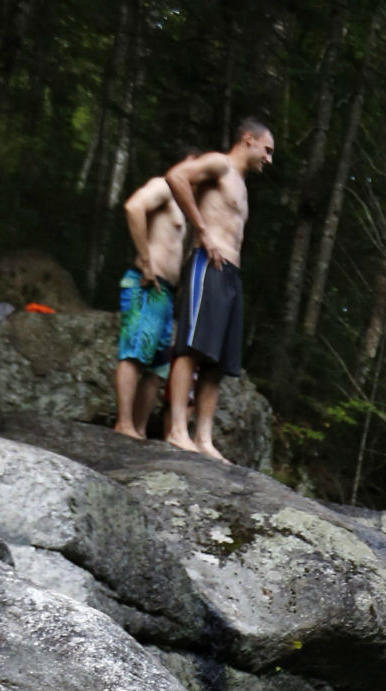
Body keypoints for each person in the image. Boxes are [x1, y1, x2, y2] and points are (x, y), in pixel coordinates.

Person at [164, 118, 276, 460]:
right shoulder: (220, 164)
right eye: (267, 150)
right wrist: (203, 230)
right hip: (208, 264)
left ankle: (203, 438)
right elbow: (176, 177)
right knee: (192, 348)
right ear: (248, 139)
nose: (269, 159)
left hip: (231, 274)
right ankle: (177, 430)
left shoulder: (240, 183)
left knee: (217, 360)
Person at [114, 165, 190, 440]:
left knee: (158, 367)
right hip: (146, 283)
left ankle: (138, 429)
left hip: (165, 293)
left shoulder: (185, 205)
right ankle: (124, 424)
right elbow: (134, 207)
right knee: (134, 353)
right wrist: (146, 263)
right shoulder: (164, 186)